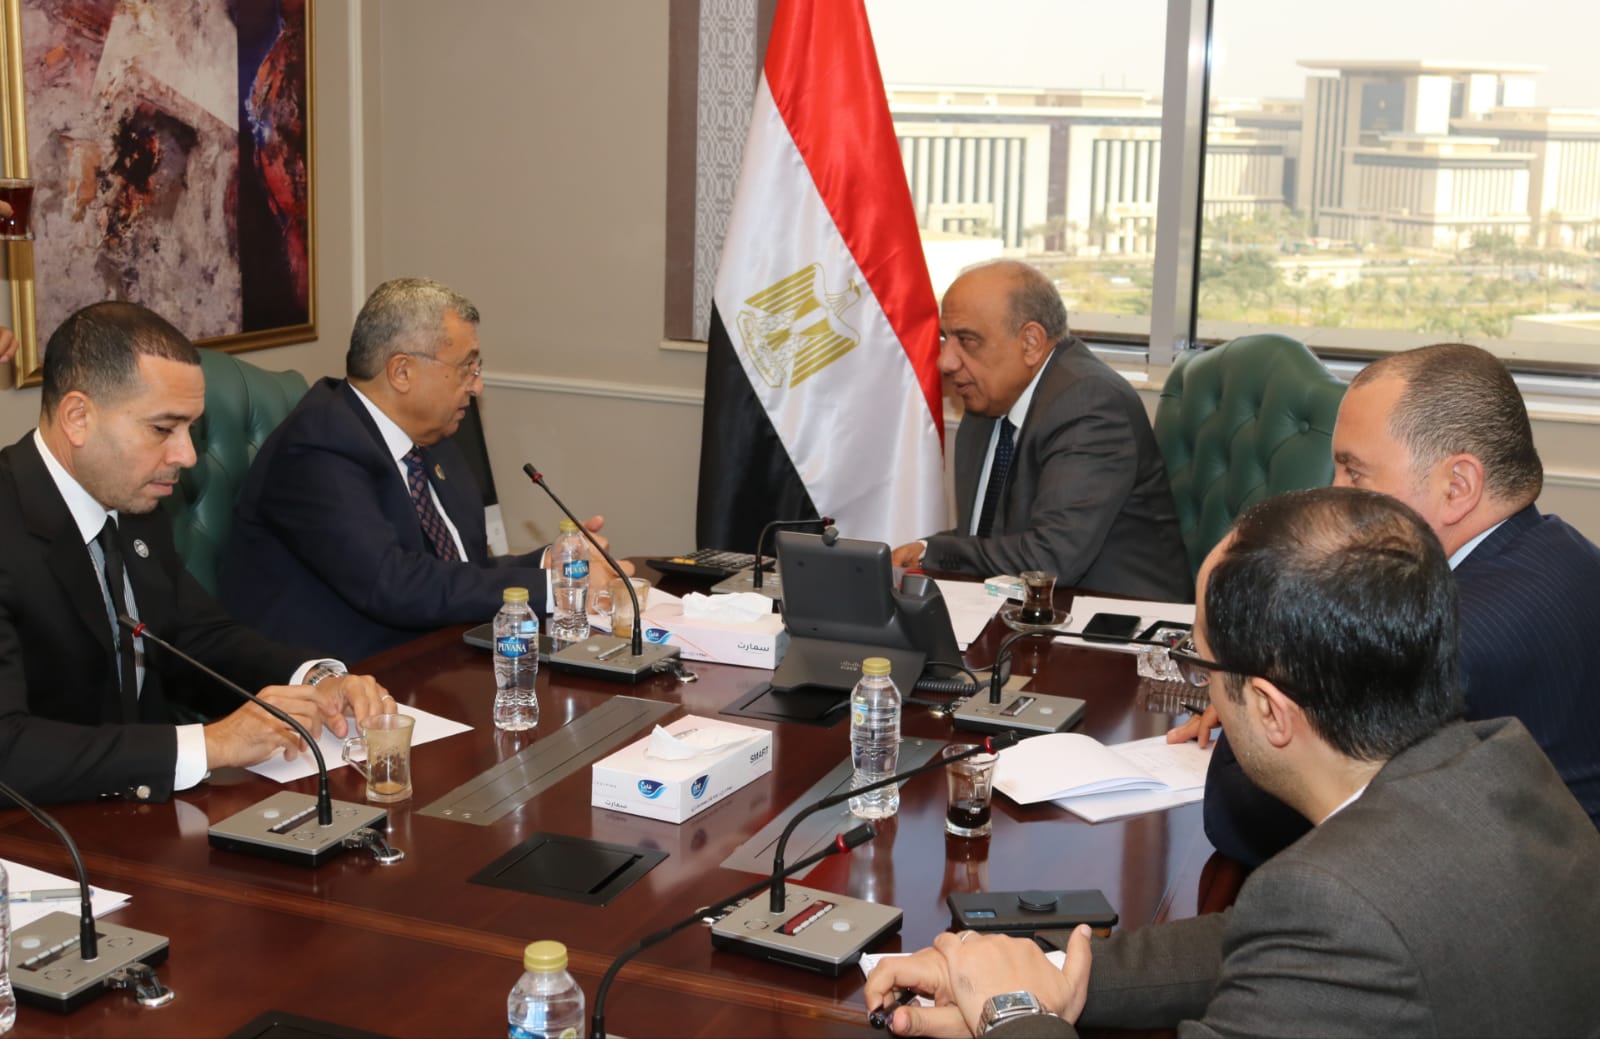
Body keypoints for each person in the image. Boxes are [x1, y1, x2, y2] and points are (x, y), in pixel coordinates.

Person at [865, 487, 1600, 1037]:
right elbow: (1270, 945)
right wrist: (1056, 974)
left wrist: (1010, 1011)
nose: (1205, 690)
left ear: (1273, 712)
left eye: (1204, 664)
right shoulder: (1504, 766)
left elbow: (1324, 929)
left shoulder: (1339, 899)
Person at [1176, 342, 1600, 866]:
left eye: (1354, 473)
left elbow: (1249, 819)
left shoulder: (1443, 639)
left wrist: (1242, 696)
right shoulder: (1567, 554)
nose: (1334, 494)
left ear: (1457, 486)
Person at [0, 301, 391, 806]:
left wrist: (312, 682)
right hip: (41, 828)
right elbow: (8, 748)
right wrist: (210, 744)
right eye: (163, 429)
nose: (186, 456)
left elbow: (195, 635)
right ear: (78, 417)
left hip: (146, 815)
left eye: (192, 429)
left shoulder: (132, 496)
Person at [221, 277, 625, 662]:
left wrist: (551, 562)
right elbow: (394, 584)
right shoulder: (318, 445)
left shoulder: (434, 442)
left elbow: (462, 573)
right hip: (351, 676)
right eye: (467, 368)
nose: (477, 386)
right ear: (402, 372)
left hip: (436, 659)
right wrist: (556, 589)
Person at [891, 260, 1189, 602]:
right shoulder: (985, 403)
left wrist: (934, 552)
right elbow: (990, 535)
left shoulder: (1089, 403)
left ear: (1031, 342)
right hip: (1024, 611)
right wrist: (924, 547)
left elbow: (1050, 559)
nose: (945, 361)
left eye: (967, 340)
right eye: (946, 338)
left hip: (1118, 620)